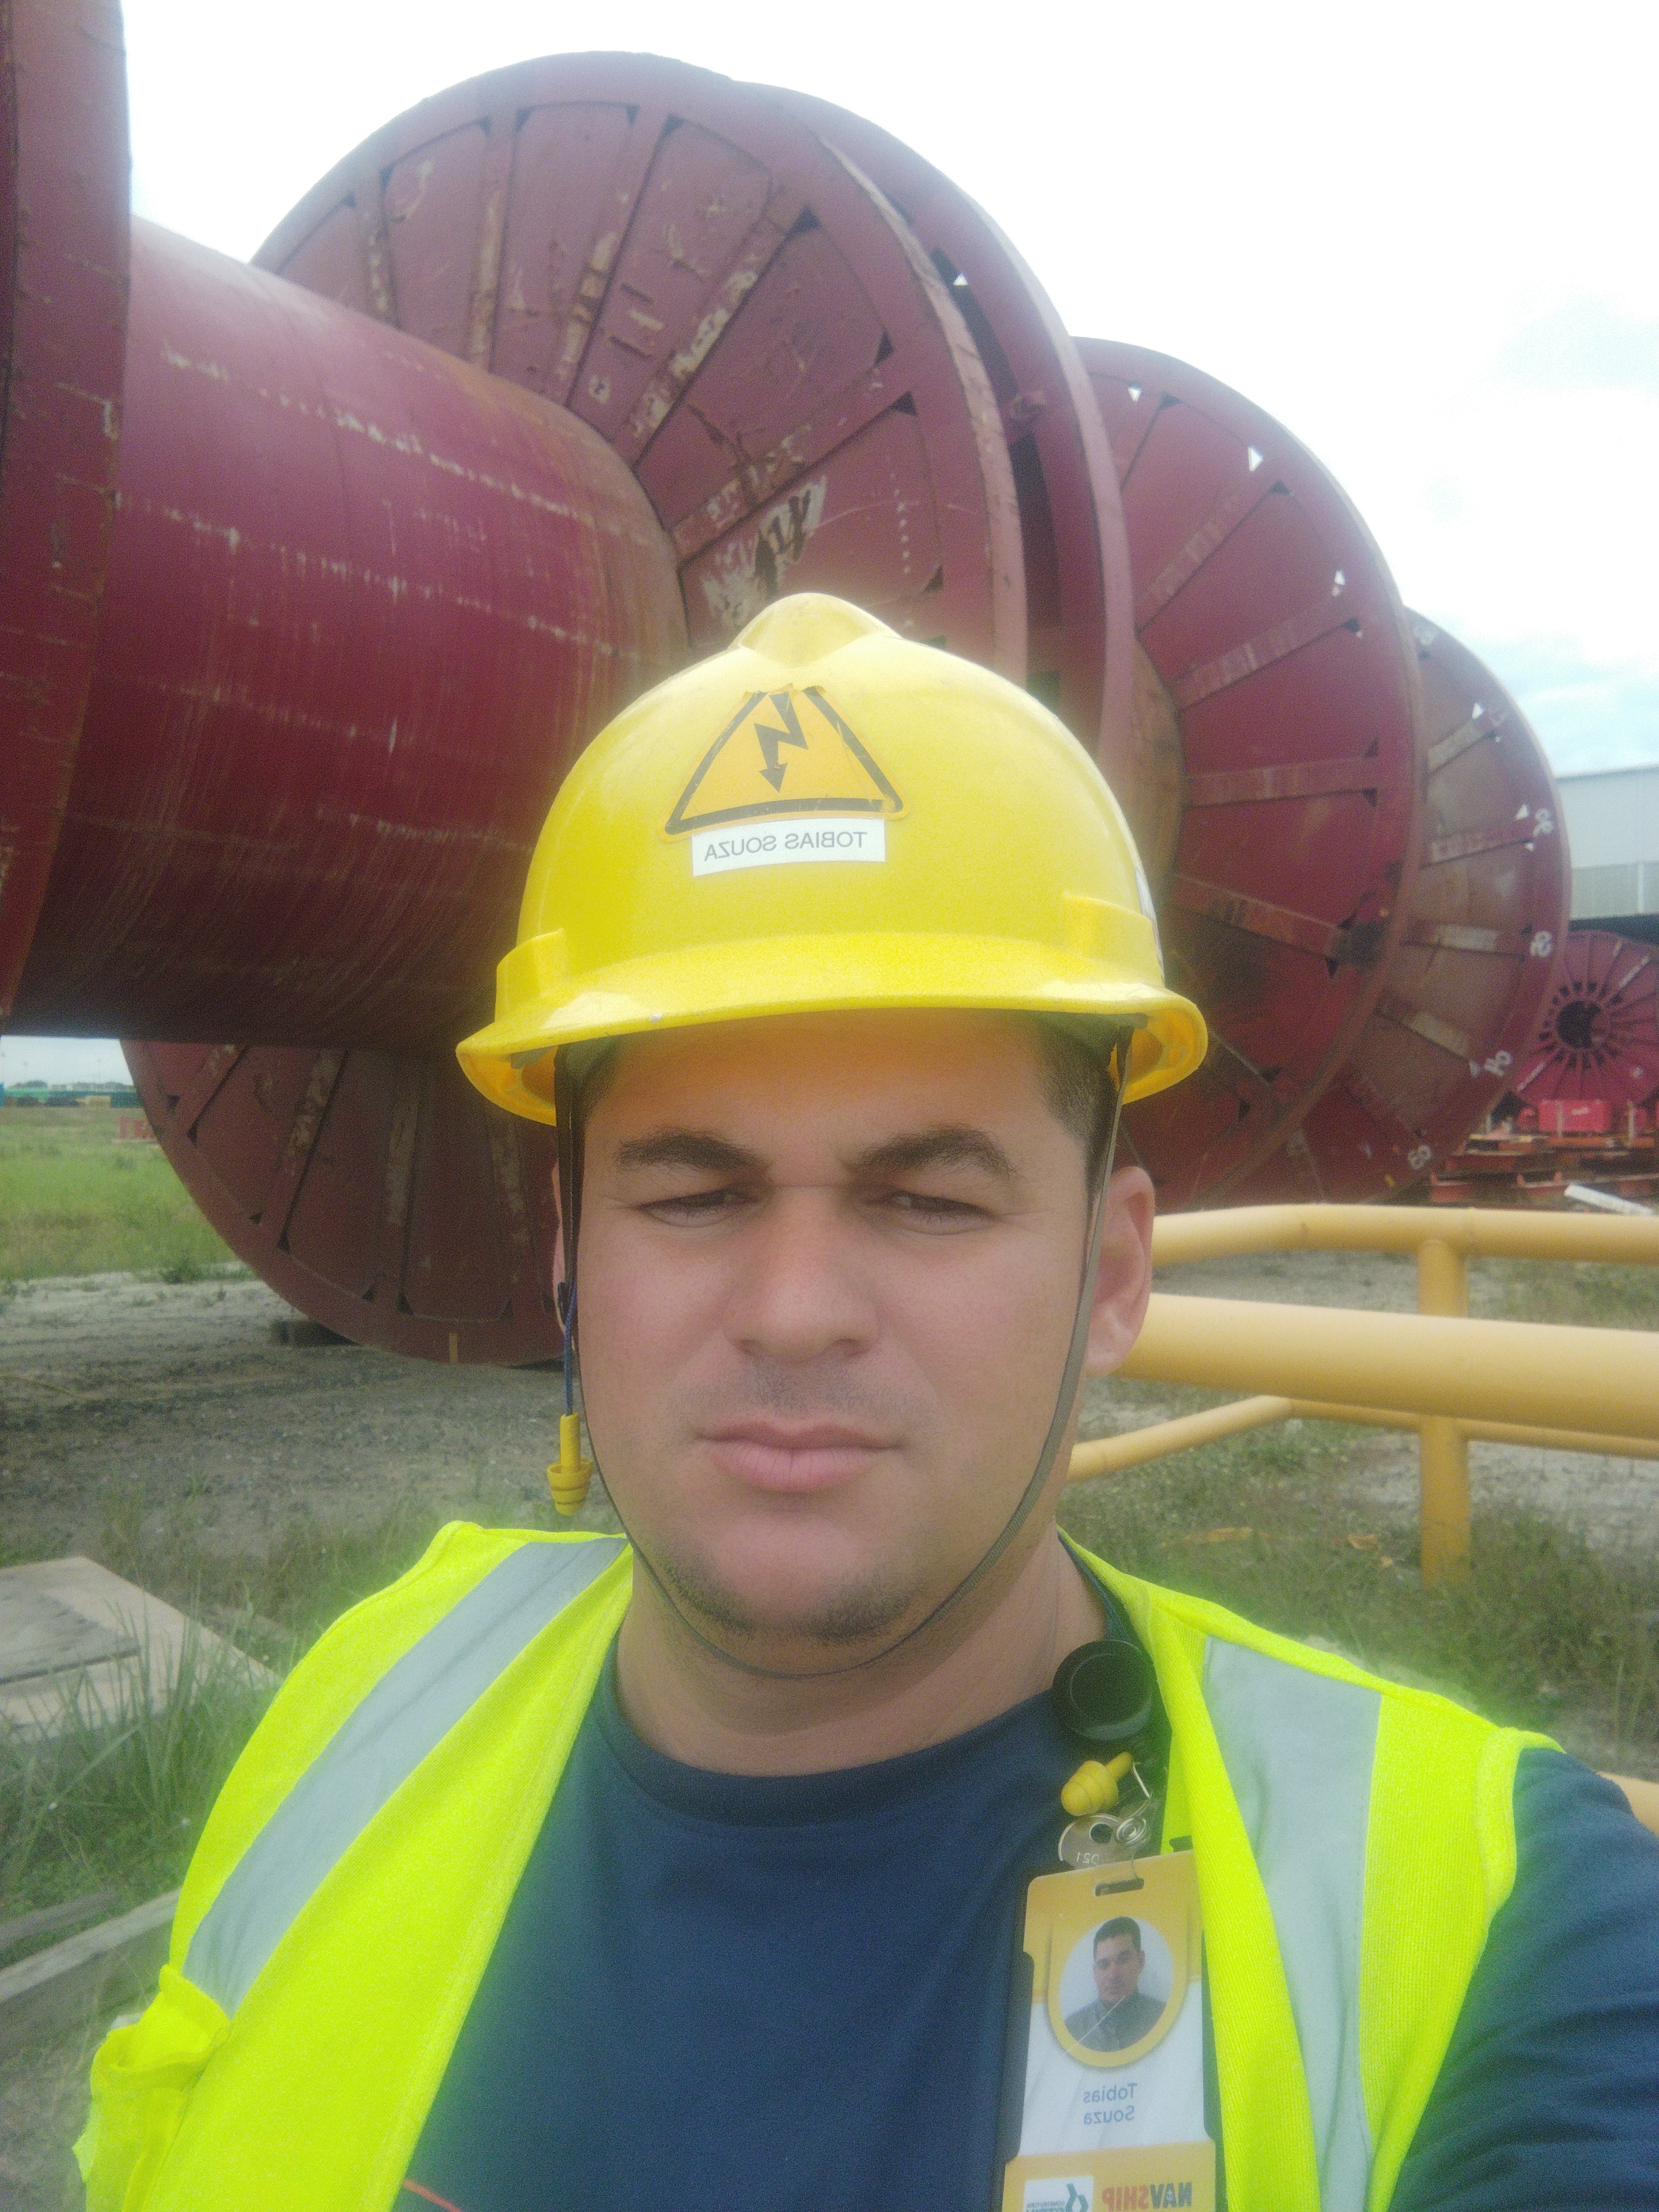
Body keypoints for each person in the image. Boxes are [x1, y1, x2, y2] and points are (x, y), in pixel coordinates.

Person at [79, 596, 1659, 2212]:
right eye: (692, 1195)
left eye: (927, 1200)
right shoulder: (361, 1703)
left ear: (1112, 1274)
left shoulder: (1492, 1923)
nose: (793, 1310)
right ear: (568, 1258)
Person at [1065, 1918, 1164, 2052]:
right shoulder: (1071, 2029)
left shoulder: (1163, 2017)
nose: (1113, 1976)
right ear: (1095, 1972)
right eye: (1103, 1965)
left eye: (1123, 1961)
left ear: (1140, 1961)